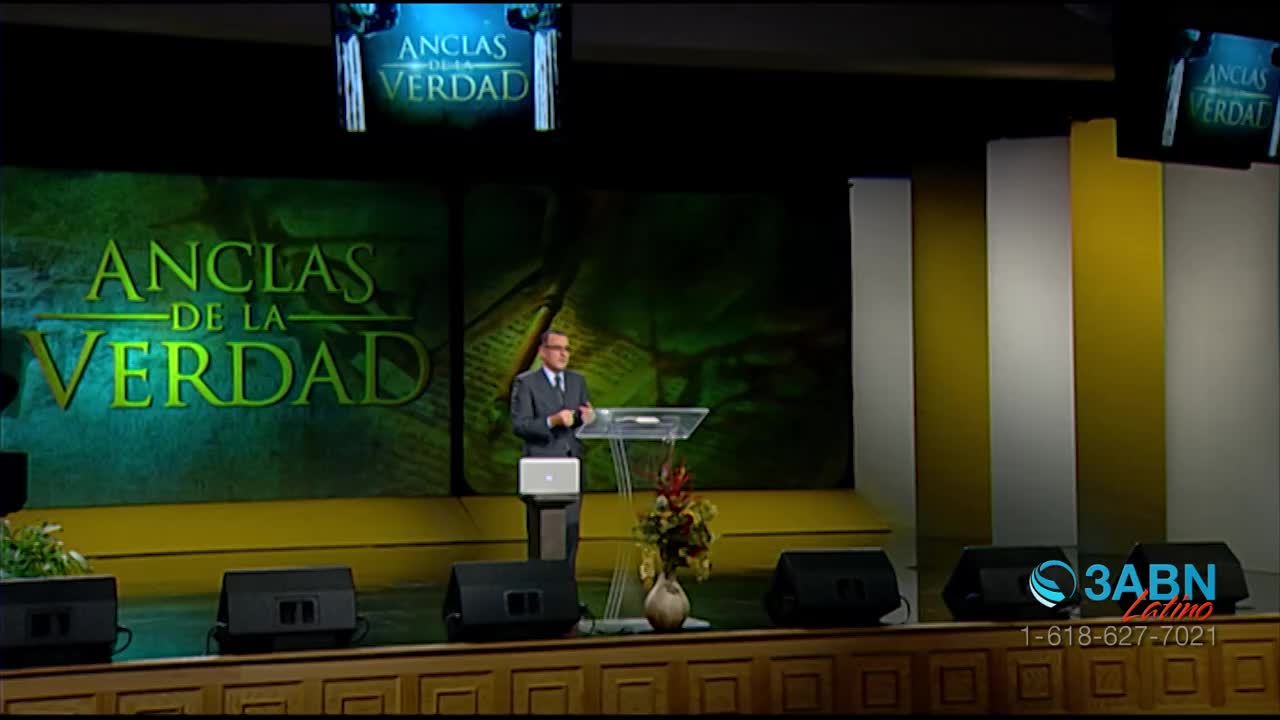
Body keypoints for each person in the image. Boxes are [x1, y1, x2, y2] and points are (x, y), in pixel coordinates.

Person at [510, 329, 595, 567]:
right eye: (557, 349)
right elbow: (520, 425)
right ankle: (542, 593)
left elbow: (579, 419)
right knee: (545, 535)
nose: (563, 354)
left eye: (567, 349)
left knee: (570, 532)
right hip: (542, 466)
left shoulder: (577, 381)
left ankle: (566, 590)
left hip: (572, 466)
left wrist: (588, 418)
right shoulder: (526, 383)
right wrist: (552, 421)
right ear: (542, 352)